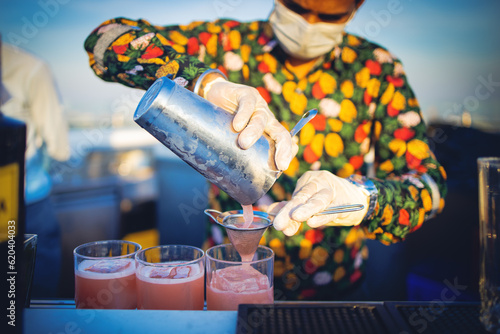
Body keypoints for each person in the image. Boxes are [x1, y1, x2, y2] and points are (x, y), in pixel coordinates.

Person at [83, 0, 447, 300]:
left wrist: (362, 197)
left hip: (334, 295)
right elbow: (104, 41)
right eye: (296, 6)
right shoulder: (226, 43)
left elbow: (429, 186)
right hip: (225, 283)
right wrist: (204, 81)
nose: (308, 24)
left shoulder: (377, 71)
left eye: (329, 15)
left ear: (356, 7)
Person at [1, 42, 70, 298]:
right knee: (30, 300)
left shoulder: (30, 69)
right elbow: (59, 146)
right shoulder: (31, 68)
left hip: (26, 208)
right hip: (26, 203)